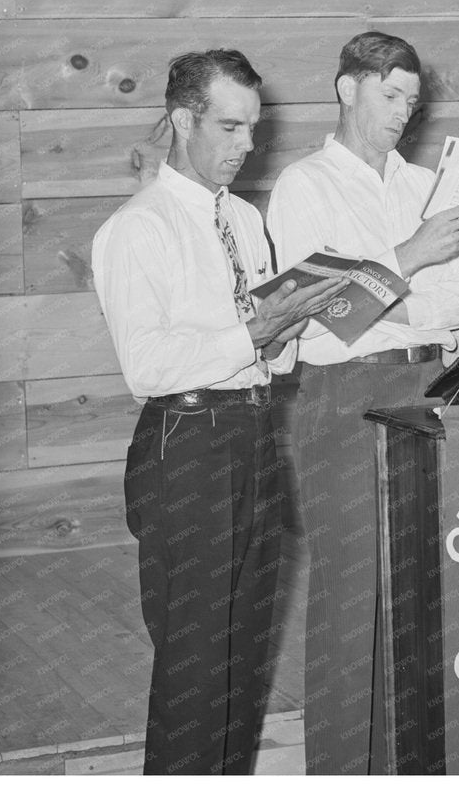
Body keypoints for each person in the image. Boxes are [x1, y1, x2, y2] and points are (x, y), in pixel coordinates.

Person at [91, 49, 348, 774]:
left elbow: (261, 352)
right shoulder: (137, 229)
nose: (246, 146)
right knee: (196, 668)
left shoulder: (243, 218)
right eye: (230, 128)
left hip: (255, 434)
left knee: (243, 653)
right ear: (182, 120)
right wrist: (253, 334)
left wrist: (295, 326)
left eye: (254, 130)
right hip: (186, 447)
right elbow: (147, 367)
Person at [266, 31, 459, 774]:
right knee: (351, 605)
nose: (403, 113)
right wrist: (414, 258)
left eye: (412, 102)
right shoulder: (305, 186)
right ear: (347, 89)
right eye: (390, 96)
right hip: (345, 401)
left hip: (429, 390)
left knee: (426, 598)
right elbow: (323, 320)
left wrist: (384, 291)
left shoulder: (425, 183)